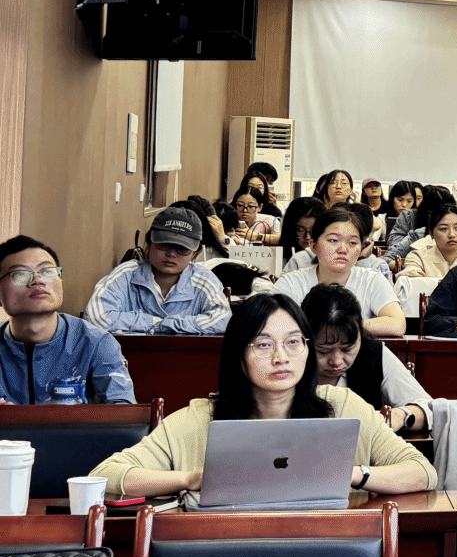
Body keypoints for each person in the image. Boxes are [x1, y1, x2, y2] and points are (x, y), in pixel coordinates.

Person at [92, 294, 433, 496]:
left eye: (293, 342)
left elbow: (422, 472)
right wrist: (192, 478)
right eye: (263, 344)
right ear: (237, 355)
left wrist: (353, 474)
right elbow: (105, 475)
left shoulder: (343, 406)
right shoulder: (199, 418)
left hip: (323, 551)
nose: (281, 357)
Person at [0, 237, 135, 404]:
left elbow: (124, 412)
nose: (38, 281)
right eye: (20, 275)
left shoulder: (96, 343)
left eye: (47, 272)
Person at [302, 284, 432, 434]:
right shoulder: (289, 361)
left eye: (347, 349)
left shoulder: (374, 354)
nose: (337, 361)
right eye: (323, 351)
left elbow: (430, 409)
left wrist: (400, 416)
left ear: (360, 334)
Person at [86, 206, 231, 335]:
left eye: (182, 249)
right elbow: (96, 317)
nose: (171, 254)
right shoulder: (126, 274)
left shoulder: (204, 280)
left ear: (195, 254)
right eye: (164, 244)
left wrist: (170, 324)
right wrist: (154, 323)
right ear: (149, 244)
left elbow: (223, 319)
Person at [275, 208, 407, 338]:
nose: (343, 249)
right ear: (313, 245)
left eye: (352, 243)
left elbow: (397, 324)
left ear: (361, 248)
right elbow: (271, 323)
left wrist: (342, 325)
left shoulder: (371, 280)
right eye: (333, 240)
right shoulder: (291, 282)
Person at [402, 201, 457, 281]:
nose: (452, 235)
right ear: (431, 233)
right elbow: (409, 282)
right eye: (443, 229)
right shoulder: (418, 257)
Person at [277, 195, 324, 272]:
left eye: (313, 230)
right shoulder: (279, 257)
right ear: (290, 229)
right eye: (300, 230)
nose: (307, 237)